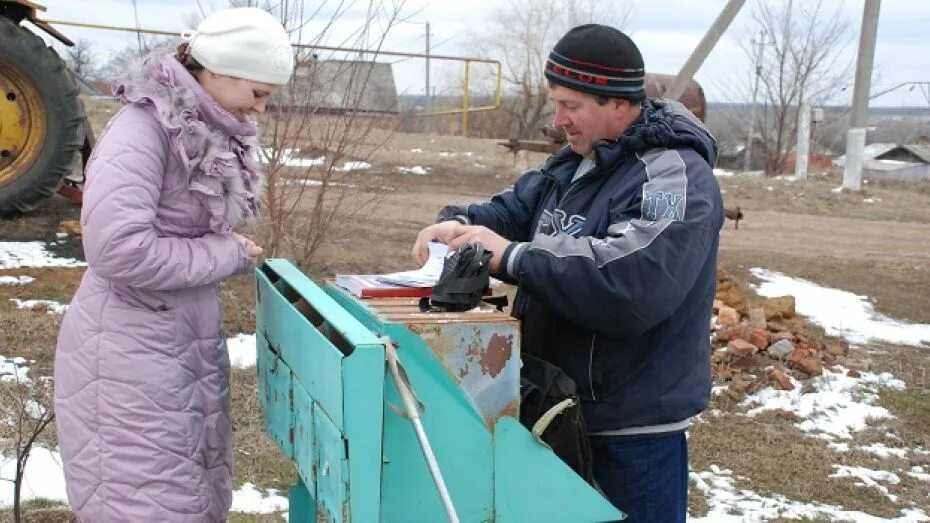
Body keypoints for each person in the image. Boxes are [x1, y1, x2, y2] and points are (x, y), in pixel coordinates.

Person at [412, 24, 723, 521]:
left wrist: (511, 256)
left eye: (571, 105)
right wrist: (462, 223)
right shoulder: (576, 161)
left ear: (618, 104)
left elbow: (636, 282)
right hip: (557, 410)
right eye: (556, 103)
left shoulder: (674, 176)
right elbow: (515, 210)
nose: (558, 119)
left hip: (628, 429)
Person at [53, 7, 293, 521]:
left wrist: (220, 245)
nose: (262, 109)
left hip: (173, 340)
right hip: (127, 353)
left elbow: (170, 228)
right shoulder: (143, 129)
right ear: (220, 72)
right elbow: (117, 246)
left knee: (185, 495)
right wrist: (222, 252)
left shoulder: (198, 130)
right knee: (145, 503)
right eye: (258, 93)